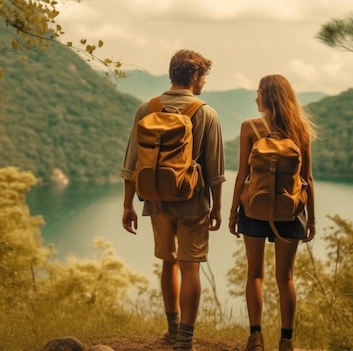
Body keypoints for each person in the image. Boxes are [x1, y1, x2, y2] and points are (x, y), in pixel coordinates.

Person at [121, 49, 225, 351]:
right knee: (190, 266)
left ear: (172, 74)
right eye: (203, 76)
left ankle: (171, 330)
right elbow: (216, 170)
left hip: (155, 199)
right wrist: (217, 207)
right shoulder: (206, 113)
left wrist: (128, 204)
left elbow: (131, 164)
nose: (203, 82)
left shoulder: (147, 108)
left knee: (168, 262)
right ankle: (185, 341)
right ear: (195, 76)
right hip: (192, 201)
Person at [228, 74, 317, 351]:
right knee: (285, 277)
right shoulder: (300, 129)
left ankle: (255, 337)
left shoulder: (249, 128)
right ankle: (286, 341)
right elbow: (308, 178)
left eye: (258, 93)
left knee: (255, 274)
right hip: (290, 213)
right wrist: (311, 218)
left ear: (267, 97)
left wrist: (233, 212)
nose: (255, 98)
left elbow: (243, 175)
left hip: (254, 209)